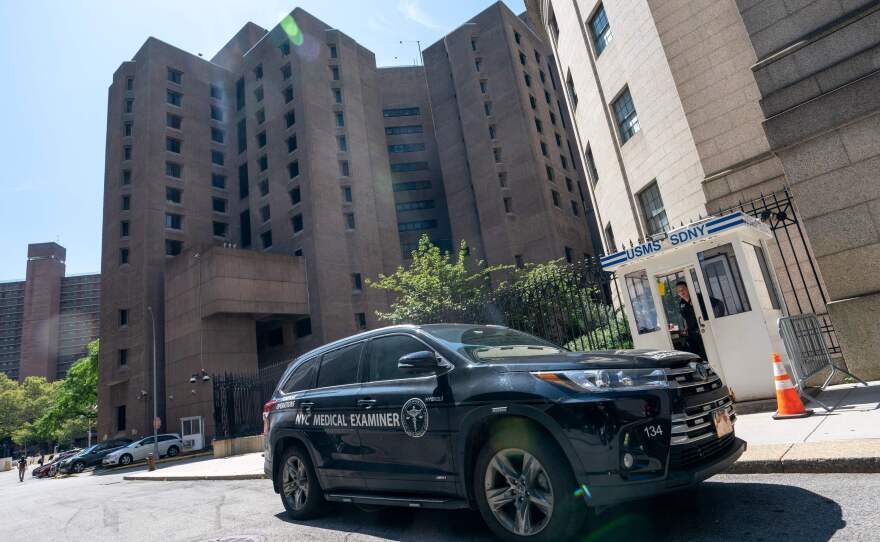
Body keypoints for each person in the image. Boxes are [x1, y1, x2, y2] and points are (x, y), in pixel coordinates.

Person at [675, 281, 725, 360]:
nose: (681, 292)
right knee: (694, 355)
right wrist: (686, 328)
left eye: (683, 289)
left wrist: (717, 320)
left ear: (688, 289)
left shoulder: (699, 297)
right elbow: (686, 317)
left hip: (704, 330)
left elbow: (719, 304)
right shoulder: (681, 303)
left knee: (709, 353)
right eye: (679, 291)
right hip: (692, 334)